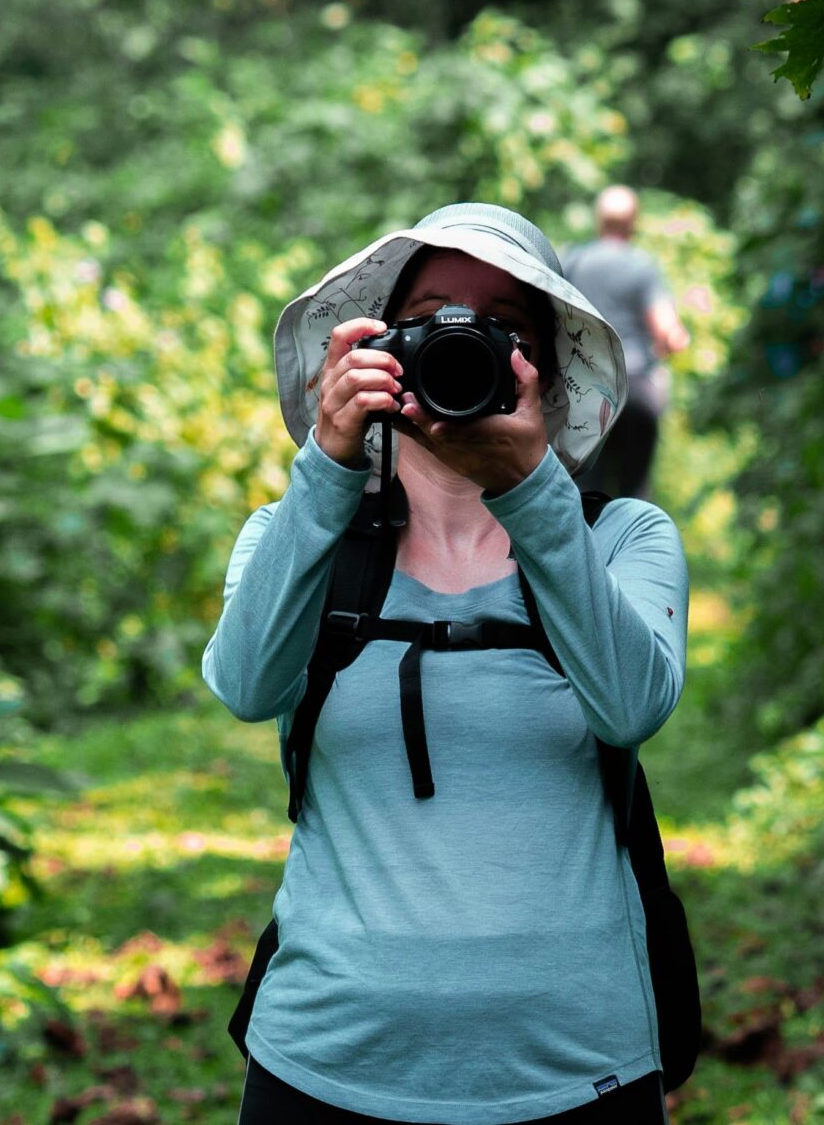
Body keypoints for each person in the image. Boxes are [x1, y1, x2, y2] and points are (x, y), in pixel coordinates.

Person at [202, 202, 690, 1125]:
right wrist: (326, 468)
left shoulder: (623, 536)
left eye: (503, 327)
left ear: (546, 372)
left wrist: (531, 489)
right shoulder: (296, 537)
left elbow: (631, 705)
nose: (462, 341)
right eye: (429, 316)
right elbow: (244, 684)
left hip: (578, 1064)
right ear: (379, 350)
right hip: (324, 1060)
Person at [559, 187, 688, 502]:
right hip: (635, 390)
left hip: (585, 393)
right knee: (633, 493)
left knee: (587, 491)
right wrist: (674, 342)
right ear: (634, 222)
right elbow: (667, 332)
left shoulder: (573, 261)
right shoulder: (643, 266)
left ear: (599, 221)